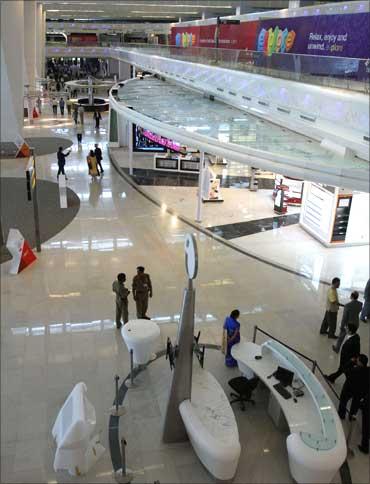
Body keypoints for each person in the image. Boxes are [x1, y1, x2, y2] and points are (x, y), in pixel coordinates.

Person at [337, 354, 368, 420]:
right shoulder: (368, 371)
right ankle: (352, 416)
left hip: (349, 389)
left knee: (343, 400)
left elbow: (344, 369)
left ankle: (341, 414)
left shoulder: (354, 370)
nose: (356, 360)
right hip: (360, 392)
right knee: (355, 404)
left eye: (358, 359)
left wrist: (350, 362)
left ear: (360, 362)